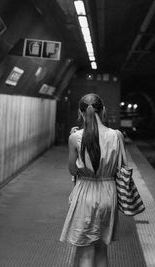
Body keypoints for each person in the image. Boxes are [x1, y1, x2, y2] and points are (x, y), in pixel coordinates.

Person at [60, 93, 127, 267]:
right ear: (103, 111)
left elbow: (72, 170)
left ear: (80, 113)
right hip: (108, 193)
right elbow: (122, 166)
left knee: (85, 251)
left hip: (85, 194)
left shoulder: (75, 137)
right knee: (102, 249)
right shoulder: (117, 136)